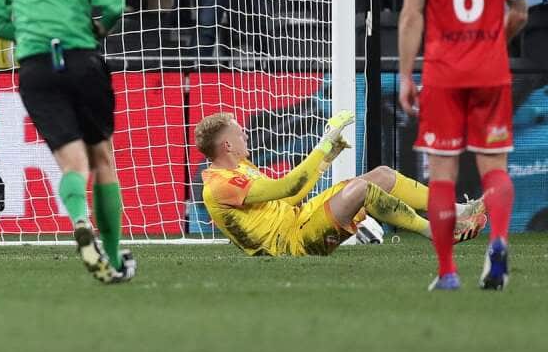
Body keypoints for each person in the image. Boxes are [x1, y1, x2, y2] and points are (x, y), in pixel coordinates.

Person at [0, 0, 134, 284]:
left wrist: (30, 35)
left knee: (71, 163)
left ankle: (79, 218)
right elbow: (114, 3)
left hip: (35, 68)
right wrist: (96, 31)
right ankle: (116, 254)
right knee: (102, 158)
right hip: (82, 60)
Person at [398, 0, 530, 291]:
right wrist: (493, 40)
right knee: (495, 167)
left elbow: (411, 17)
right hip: (491, 70)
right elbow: (520, 12)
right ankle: (497, 242)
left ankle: (448, 271)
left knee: (442, 175)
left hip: (443, 74)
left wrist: (404, 75)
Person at [197, 111, 487, 258]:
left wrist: (327, 158)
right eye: (239, 134)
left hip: (300, 220)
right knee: (362, 190)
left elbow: (291, 197)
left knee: (383, 175)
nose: (245, 135)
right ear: (227, 145)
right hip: (292, 246)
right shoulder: (219, 185)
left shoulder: (243, 168)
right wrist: (322, 146)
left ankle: (457, 210)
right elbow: (285, 187)